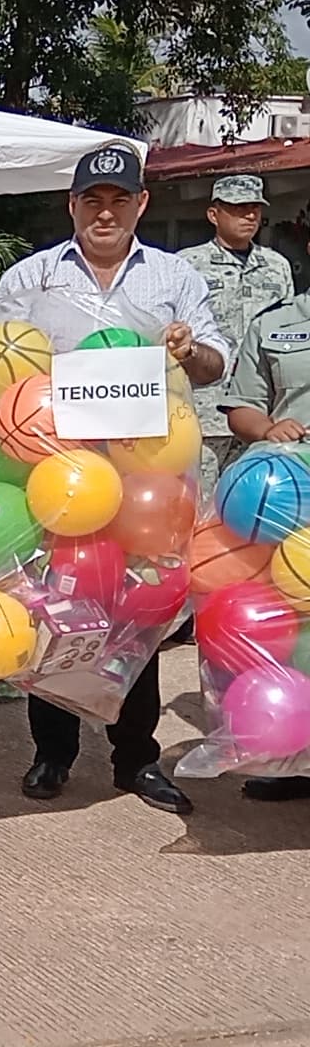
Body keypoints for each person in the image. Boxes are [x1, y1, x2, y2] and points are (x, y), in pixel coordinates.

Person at [0, 141, 228, 815]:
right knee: (53, 608)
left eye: (118, 200)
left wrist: (189, 348)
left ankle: (134, 759)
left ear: (141, 203)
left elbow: (216, 363)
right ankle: (53, 752)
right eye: (91, 200)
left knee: (135, 613)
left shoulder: (174, 278)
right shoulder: (32, 277)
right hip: (49, 475)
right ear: (71, 204)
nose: (104, 212)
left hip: (148, 476)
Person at [218, 238, 310, 802]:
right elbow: (243, 405)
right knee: (293, 632)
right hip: (287, 501)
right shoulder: (275, 324)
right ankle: (294, 753)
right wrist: (267, 429)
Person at [179, 174, 295, 493]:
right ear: (214, 214)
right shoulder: (188, 265)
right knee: (197, 503)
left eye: (254, 209)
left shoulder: (277, 266)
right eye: (238, 208)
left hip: (261, 415)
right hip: (205, 413)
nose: (249, 216)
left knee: (249, 504)